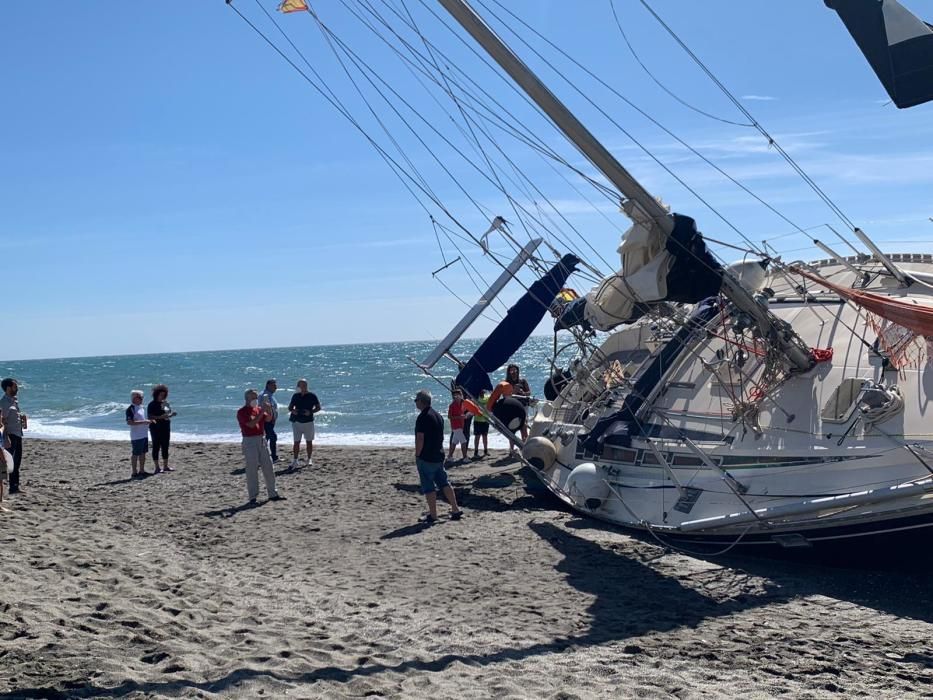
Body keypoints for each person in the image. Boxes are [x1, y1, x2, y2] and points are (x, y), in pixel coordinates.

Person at [414, 389, 462, 524]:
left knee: (428, 486)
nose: (415, 403)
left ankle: (433, 515)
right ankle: (455, 508)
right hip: (438, 455)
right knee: (444, 482)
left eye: (416, 400)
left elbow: (420, 438)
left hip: (427, 456)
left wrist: (418, 455)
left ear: (421, 402)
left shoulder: (423, 417)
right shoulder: (437, 416)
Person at [237, 389, 284, 505]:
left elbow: (268, 419)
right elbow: (251, 424)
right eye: (253, 398)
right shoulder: (242, 412)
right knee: (252, 469)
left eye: (256, 398)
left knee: (268, 467)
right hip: (249, 441)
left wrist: (268, 409)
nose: (255, 400)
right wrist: (262, 411)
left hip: (261, 440)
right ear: (247, 399)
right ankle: (253, 496)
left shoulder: (258, 409)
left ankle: (273, 493)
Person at [0, 378, 27, 495]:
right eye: (15, 387)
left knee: (17, 462)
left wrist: (22, 419)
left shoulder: (14, 400)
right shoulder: (4, 403)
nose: (17, 389)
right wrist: (6, 437)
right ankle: (11, 487)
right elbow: (2, 421)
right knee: (10, 462)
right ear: (8, 388)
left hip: (17, 433)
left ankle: (15, 487)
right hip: (10, 435)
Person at [288, 378, 321, 469]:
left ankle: (309, 458)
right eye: (299, 385)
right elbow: (290, 407)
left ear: (306, 386)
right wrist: (293, 411)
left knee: (309, 441)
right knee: (296, 442)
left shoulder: (312, 396)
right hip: (297, 422)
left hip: (308, 422)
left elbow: (318, 407)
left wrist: (310, 412)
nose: (300, 387)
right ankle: (295, 460)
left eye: (302, 385)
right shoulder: (295, 396)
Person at [147, 384, 176, 473]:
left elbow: (167, 414)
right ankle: (157, 467)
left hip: (165, 426)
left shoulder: (165, 403)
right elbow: (150, 416)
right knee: (156, 446)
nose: (162, 396)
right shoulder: (152, 404)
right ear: (156, 394)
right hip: (155, 427)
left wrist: (171, 414)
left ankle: (166, 466)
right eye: (161, 395)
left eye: (164, 395)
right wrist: (160, 417)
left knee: (165, 446)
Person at [125, 390, 152, 478]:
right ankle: (134, 472)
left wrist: (147, 423)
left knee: (143, 453)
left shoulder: (141, 407)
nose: (142, 399)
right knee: (135, 453)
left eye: (142, 397)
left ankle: (142, 470)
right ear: (134, 398)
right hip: (136, 436)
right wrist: (144, 422)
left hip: (144, 434)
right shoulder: (130, 409)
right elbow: (130, 422)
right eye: (140, 397)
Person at [258, 378, 279, 462]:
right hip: (266, 421)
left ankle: (265, 456)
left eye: (275, 385)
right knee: (272, 437)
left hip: (270, 420)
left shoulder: (270, 395)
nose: (276, 387)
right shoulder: (264, 395)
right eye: (274, 386)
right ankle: (273, 457)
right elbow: (263, 408)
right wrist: (270, 418)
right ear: (268, 386)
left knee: (267, 438)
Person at [465, 389, 490, 459]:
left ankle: (485, 451)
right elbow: (470, 403)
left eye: (483, 391)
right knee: (477, 437)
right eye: (480, 392)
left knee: (485, 436)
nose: (482, 392)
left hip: (485, 419)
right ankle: (476, 452)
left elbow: (492, 400)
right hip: (477, 420)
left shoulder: (487, 397)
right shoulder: (476, 398)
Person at [446, 388, 469, 463]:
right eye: (455, 396)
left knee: (454, 442)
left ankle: (449, 456)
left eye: (459, 395)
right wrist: (459, 417)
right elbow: (449, 416)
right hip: (456, 426)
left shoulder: (462, 403)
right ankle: (465, 457)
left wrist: (468, 414)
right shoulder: (452, 405)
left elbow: (465, 411)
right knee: (464, 441)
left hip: (460, 425)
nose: (458, 397)